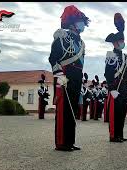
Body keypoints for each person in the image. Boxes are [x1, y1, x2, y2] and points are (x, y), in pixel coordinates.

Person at [48, 5, 90, 151]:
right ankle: (61, 142)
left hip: (77, 77)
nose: (82, 24)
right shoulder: (62, 36)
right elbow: (53, 58)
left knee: (73, 109)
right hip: (64, 75)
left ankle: (70, 141)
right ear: (72, 22)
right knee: (64, 109)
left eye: (83, 22)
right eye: (80, 21)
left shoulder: (81, 43)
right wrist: (59, 75)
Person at [104, 13, 127, 142]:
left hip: (124, 86)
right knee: (115, 112)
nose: (123, 43)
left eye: (123, 41)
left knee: (122, 112)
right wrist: (111, 88)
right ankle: (113, 135)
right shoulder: (110, 55)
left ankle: (120, 134)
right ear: (115, 43)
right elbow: (108, 73)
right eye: (121, 41)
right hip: (115, 86)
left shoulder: (125, 56)